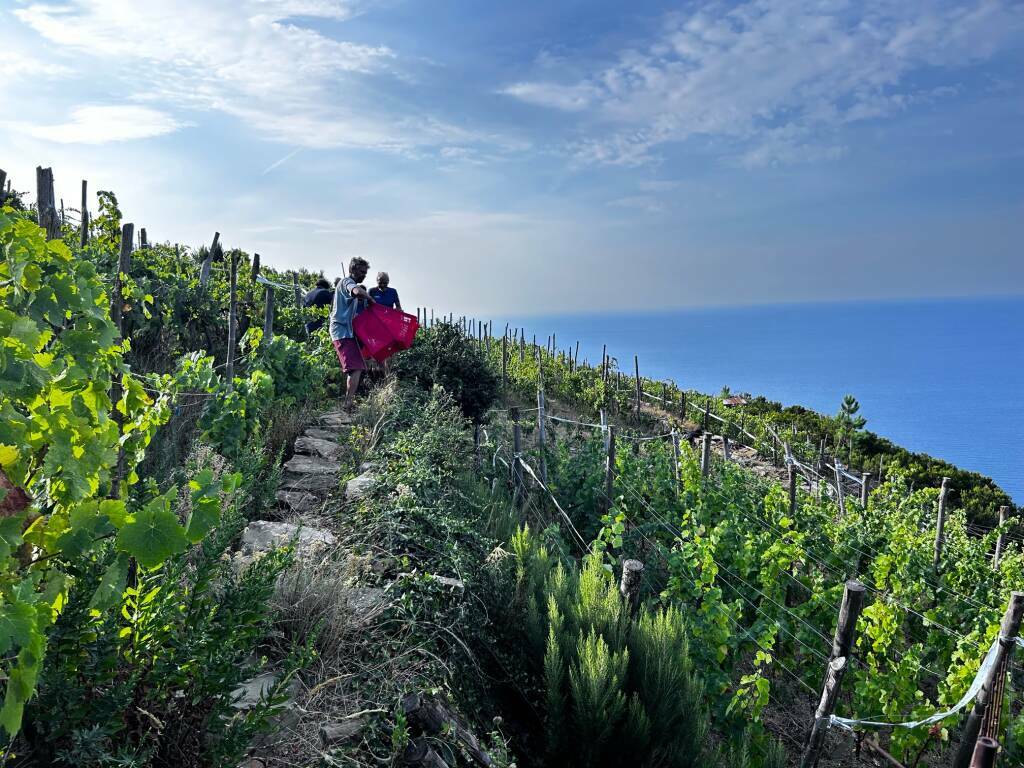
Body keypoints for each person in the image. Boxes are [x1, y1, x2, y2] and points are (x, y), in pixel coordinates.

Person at [330, 257, 375, 411]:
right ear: (353, 269)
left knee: (356, 367)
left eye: (365, 273)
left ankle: (348, 402)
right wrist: (368, 296)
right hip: (341, 331)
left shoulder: (347, 283)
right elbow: (356, 291)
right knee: (355, 367)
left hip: (346, 331)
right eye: (362, 272)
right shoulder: (347, 282)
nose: (364, 276)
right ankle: (348, 404)